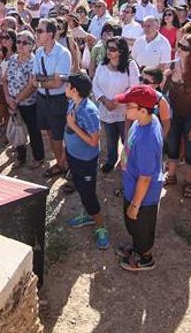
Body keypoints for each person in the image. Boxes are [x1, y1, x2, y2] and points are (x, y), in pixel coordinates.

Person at [113, 85, 164, 272]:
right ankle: (136, 246)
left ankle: (145, 258)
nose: (125, 108)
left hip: (143, 195)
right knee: (133, 223)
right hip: (132, 186)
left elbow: (145, 178)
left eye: (129, 106)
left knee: (142, 227)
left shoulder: (147, 139)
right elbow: (129, 144)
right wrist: (123, 159)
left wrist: (135, 204)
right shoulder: (142, 121)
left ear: (142, 110)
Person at [63, 73, 110, 249]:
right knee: (82, 190)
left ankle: (100, 226)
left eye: (67, 86)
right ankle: (89, 215)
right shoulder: (73, 103)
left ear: (75, 90)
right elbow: (68, 128)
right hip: (74, 156)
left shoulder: (89, 111)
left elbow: (93, 141)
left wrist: (74, 126)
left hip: (85, 161)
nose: (65, 88)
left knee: (89, 194)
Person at [164, 34, 191, 199]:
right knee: (172, 145)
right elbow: (165, 92)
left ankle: (188, 181)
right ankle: (171, 176)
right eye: (179, 45)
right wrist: (165, 76)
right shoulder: (172, 66)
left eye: (184, 47)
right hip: (174, 114)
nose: (179, 49)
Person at [92, 37, 139, 173]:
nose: (109, 51)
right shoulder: (102, 65)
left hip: (125, 112)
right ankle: (111, 160)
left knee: (127, 139)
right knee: (110, 138)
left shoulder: (130, 66)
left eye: (113, 49)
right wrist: (105, 101)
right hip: (106, 109)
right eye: (108, 48)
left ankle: (130, 163)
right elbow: (95, 84)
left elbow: (133, 88)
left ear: (121, 51)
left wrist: (117, 101)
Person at [33, 18, 72, 179]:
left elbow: (57, 83)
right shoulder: (39, 52)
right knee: (49, 132)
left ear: (50, 34)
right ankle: (60, 163)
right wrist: (45, 81)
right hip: (43, 99)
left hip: (58, 100)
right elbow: (35, 78)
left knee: (61, 135)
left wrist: (42, 83)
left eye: (40, 31)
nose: (37, 33)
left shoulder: (63, 53)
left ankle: (68, 165)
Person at [2, 30, 45, 168]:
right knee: (17, 129)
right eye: (19, 41)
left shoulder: (34, 61)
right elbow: (5, 80)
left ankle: (39, 158)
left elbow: (31, 86)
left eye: (25, 42)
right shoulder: (13, 58)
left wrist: (16, 101)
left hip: (28, 103)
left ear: (32, 45)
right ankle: (21, 158)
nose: (21, 45)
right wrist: (8, 98)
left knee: (33, 131)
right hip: (12, 102)